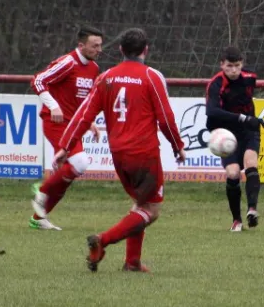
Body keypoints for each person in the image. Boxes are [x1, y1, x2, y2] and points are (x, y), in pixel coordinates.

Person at [54, 28, 186, 272]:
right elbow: (165, 119)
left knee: (140, 204)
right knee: (151, 210)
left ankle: (132, 262)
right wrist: (177, 146)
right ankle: (102, 241)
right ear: (145, 50)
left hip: (118, 155)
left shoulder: (106, 77)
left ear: (120, 50)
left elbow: (84, 115)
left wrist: (65, 146)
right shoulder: (151, 76)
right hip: (144, 154)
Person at [29, 26, 103, 230]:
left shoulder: (94, 68)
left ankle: (38, 218)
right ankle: (41, 189)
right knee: (80, 163)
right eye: (94, 45)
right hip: (56, 123)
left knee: (65, 177)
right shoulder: (68, 62)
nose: (99, 49)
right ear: (81, 45)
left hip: (73, 125)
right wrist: (53, 106)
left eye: (100, 45)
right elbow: (38, 80)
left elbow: (83, 100)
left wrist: (89, 123)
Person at [206, 46, 263, 232]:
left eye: (237, 66)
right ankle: (236, 220)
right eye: (229, 66)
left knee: (251, 163)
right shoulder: (215, 84)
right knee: (233, 173)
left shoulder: (250, 78)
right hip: (227, 134)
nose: (233, 70)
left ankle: (252, 210)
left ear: (242, 64)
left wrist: (252, 120)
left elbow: (247, 101)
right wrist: (241, 117)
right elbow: (212, 112)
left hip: (248, 131)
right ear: (222, 64)